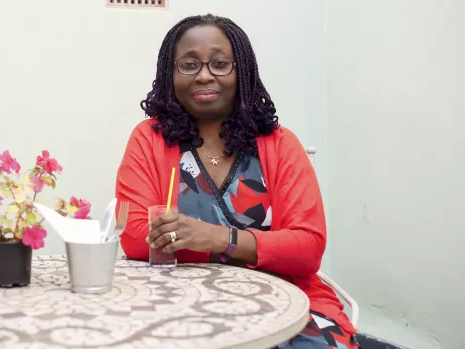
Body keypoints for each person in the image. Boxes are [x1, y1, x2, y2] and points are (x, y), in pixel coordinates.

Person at [115, 14, 358, 349]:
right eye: (188, 65)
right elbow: (135, 237)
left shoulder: (280, 144)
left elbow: (307, 249)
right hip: (175, 298)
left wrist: (216, 238)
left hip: (290, 297)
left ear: (240, 71)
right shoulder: (149, 140)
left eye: (219, 64)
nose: (203, 75)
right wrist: (255, 248)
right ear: (169, 74)